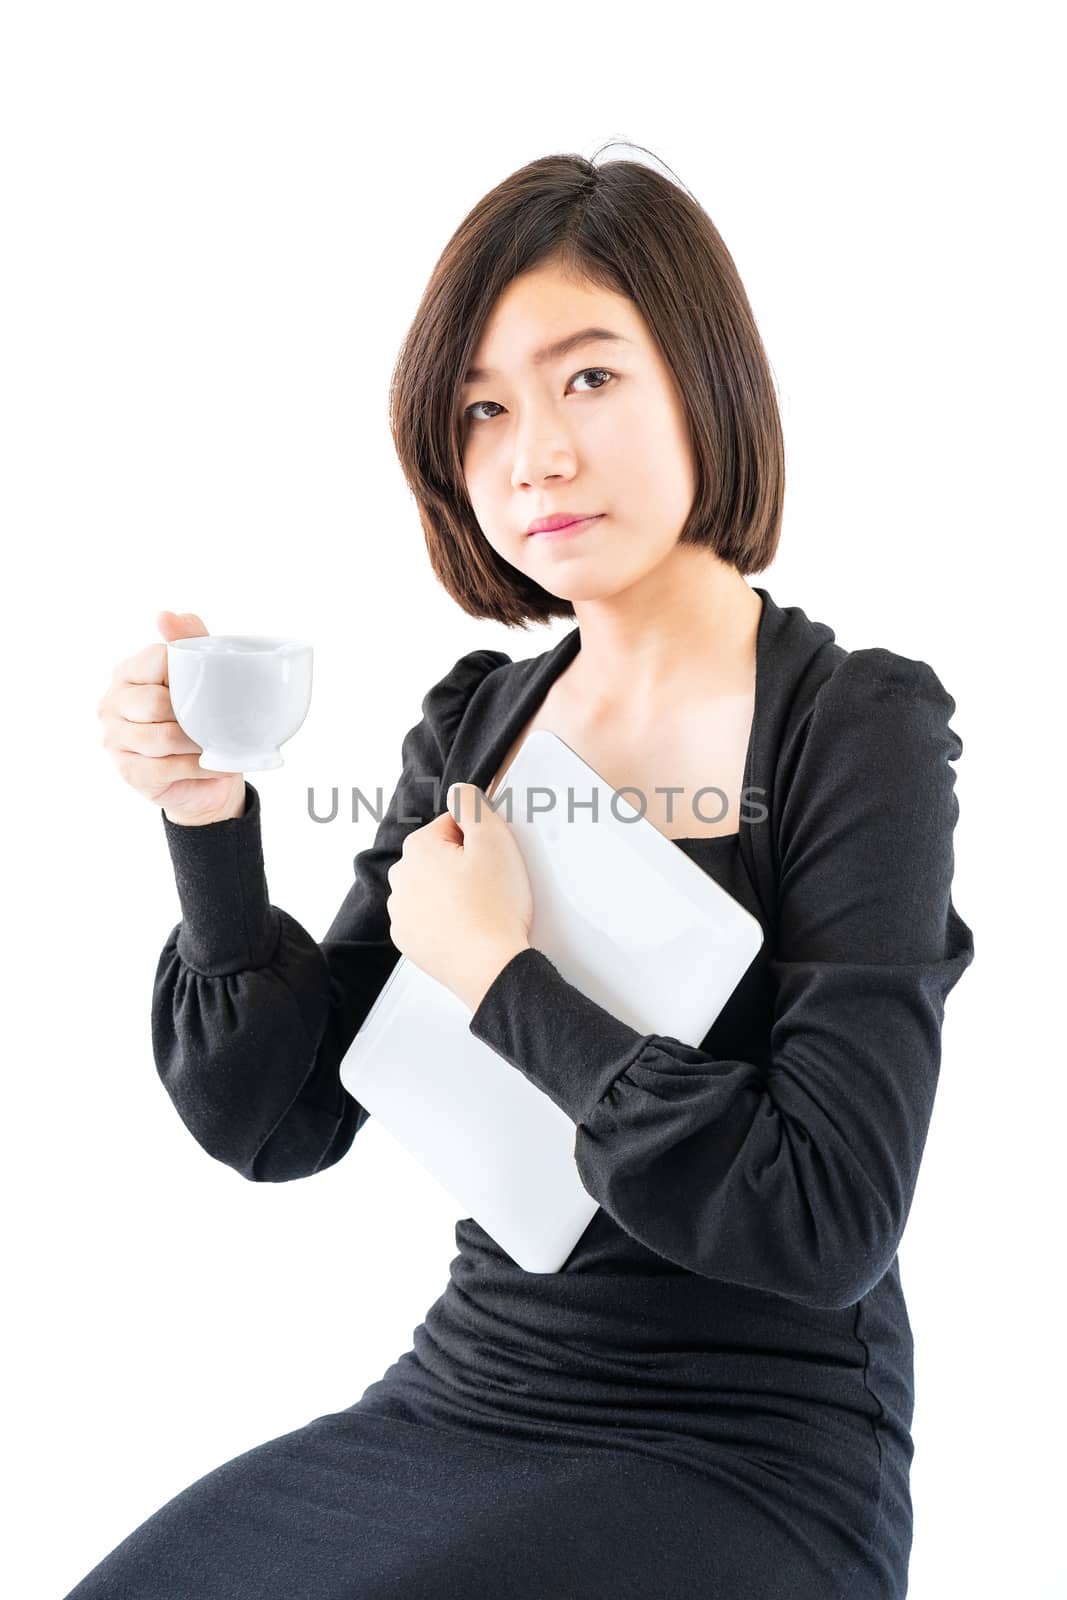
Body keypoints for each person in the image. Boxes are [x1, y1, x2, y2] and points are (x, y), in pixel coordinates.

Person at [82, 142, 974, 1599]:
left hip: (751, 1446)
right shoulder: (478, 724)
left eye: (588, 379)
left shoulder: (851, 726)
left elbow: (826, 1216)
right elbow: (284, 1118)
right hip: (476, 1388)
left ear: (703, 379)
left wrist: (506, 975)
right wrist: (207, 820)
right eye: (482, 410)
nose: (532, 454)